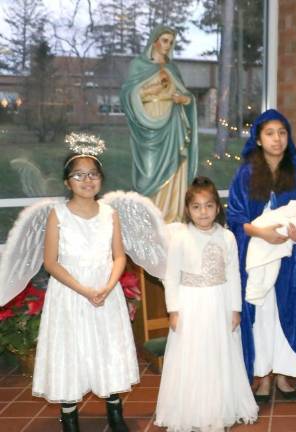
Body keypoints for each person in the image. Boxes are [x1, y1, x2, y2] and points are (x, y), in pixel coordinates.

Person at [34, 152, 138, 432]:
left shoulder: (110, 214)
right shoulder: (58, 214)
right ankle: (69, 416)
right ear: (67, 182)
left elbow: (119, 256)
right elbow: (50, 262)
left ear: (101, 180)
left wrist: (108, 285)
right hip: (70, 293)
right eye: (78, 175)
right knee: (71, 348)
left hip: (105, 292)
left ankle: (115, 412)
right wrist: (83, 289)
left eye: (93, 174)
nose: (87, 180)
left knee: (108, 347)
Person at [227, 109, 296, 402]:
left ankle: (284, 376)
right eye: (270, 133)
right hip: (257, 255)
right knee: (262, 314)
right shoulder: (246, 174)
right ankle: (262, 376)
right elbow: (235, 216)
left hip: (291, 259)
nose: (277, 139)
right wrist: (261, 233)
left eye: (282, 132)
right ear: (258, 139)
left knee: (285, 315)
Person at [155, 176, 259, 430]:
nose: (203, 212)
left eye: (209, 205)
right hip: (191, 304)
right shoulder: (180, 237)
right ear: (188, 210)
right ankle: (193, 409)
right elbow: (171, 276)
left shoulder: (227, 237)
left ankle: (220, 405)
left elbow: (234, 274)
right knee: (194, 355)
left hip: (220, 302)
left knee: (218, 352)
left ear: (217, 207)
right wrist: (173, 310)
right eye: (197, 206)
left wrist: (235, 308)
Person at [120, 25, 198, 223]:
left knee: (176, 168)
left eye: (171, 42)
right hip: (147, 126)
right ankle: (149, 221)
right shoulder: (138, 65)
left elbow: (187, 96)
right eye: (165, 40)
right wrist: (146, 92)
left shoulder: (172, 67)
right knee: (148, 172)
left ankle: (173, 217)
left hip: (172, 124)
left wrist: (185, 100)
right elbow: (126, 96)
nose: (168, 45)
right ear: (154, 41)